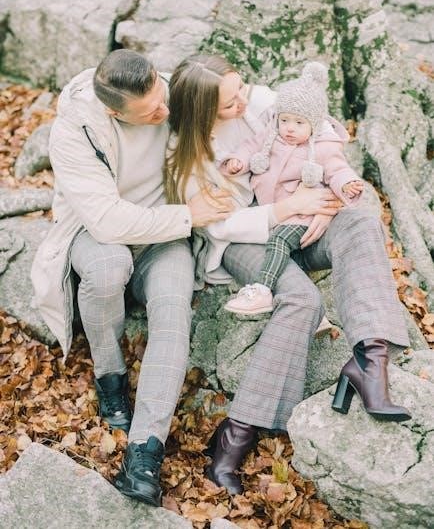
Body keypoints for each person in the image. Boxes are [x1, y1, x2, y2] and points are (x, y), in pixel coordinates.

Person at [166, 53, 411, 496]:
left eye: (241, 89)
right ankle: (235, 436)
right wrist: (287, 208)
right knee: (302, 300)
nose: (244, 102)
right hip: (244, 243)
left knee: (360, 220)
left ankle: (370, 361)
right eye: (229, 103)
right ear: (204, 111)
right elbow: (220, 226)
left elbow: (323, 132)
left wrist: (325, 200)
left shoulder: (262, 102)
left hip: (301, 226)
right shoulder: (188, 153)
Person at [30, 49, 236, 507]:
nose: (164, 111)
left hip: (165, 236)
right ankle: (111, 378)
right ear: (115, 113)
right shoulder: (75, 130)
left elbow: (237, 97)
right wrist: (188, 215)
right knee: (108, 269)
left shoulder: (169, 88)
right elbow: (106, 222)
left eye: (162, 97)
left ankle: (145, 452)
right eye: (150, 112)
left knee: (173, 310)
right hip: (98, 234)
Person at [220, 61, 364, 316]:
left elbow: (337, 169)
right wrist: (238, 161)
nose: (289, 128)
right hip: (275, 206)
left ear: (314, 125)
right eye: (284, 120)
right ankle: (305, 300)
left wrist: (347, 184)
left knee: (279, 241)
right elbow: (250, 146)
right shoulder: (271, 134)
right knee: (272, 239)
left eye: (299, 123)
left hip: (302, 214)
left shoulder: (323, 146)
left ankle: (262, 289)